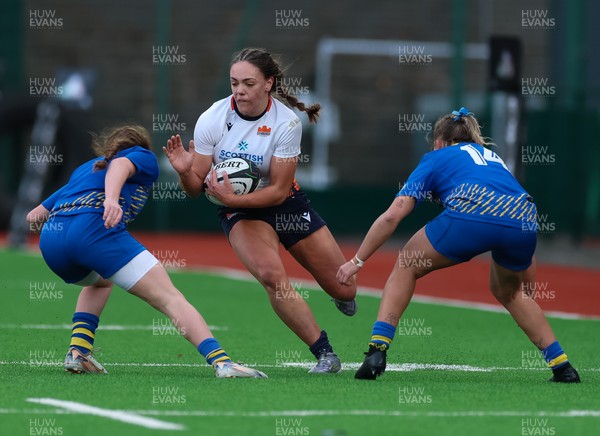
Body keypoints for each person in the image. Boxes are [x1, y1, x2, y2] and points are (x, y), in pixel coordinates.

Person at [337, 107, 580, 383]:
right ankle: (562, 366)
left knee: (406, 263)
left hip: (473, 215)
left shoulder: (436, 156)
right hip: (524, 219)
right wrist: (527, 294)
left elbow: (394, 214)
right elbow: (516, 225)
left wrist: (356, 261)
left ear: (439, 141)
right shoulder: (494, 159)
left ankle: (376, 352)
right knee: (511, 293)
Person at [163, 48, 357, 374]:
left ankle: (339, 293)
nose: (239, 91)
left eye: (248, 83)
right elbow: (196, 188)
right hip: (239, 212)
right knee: (271, 276)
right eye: (234, 83)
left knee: (345, 286)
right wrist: (186, 172)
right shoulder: (212, 118)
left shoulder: (287, 122)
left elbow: (280, 190)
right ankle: (325, 353)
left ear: (268, 83)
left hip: (284, 203)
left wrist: (231, 199)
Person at [26, 124, 266, 378]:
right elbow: (120, 167)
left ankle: (78, 353)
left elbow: (33, 217)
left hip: (52, 244)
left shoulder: (87, 168)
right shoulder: (143, 155)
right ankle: (223, 363)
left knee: (101, 282)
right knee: (170, 298)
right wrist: (109, 200)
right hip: (94, 231)